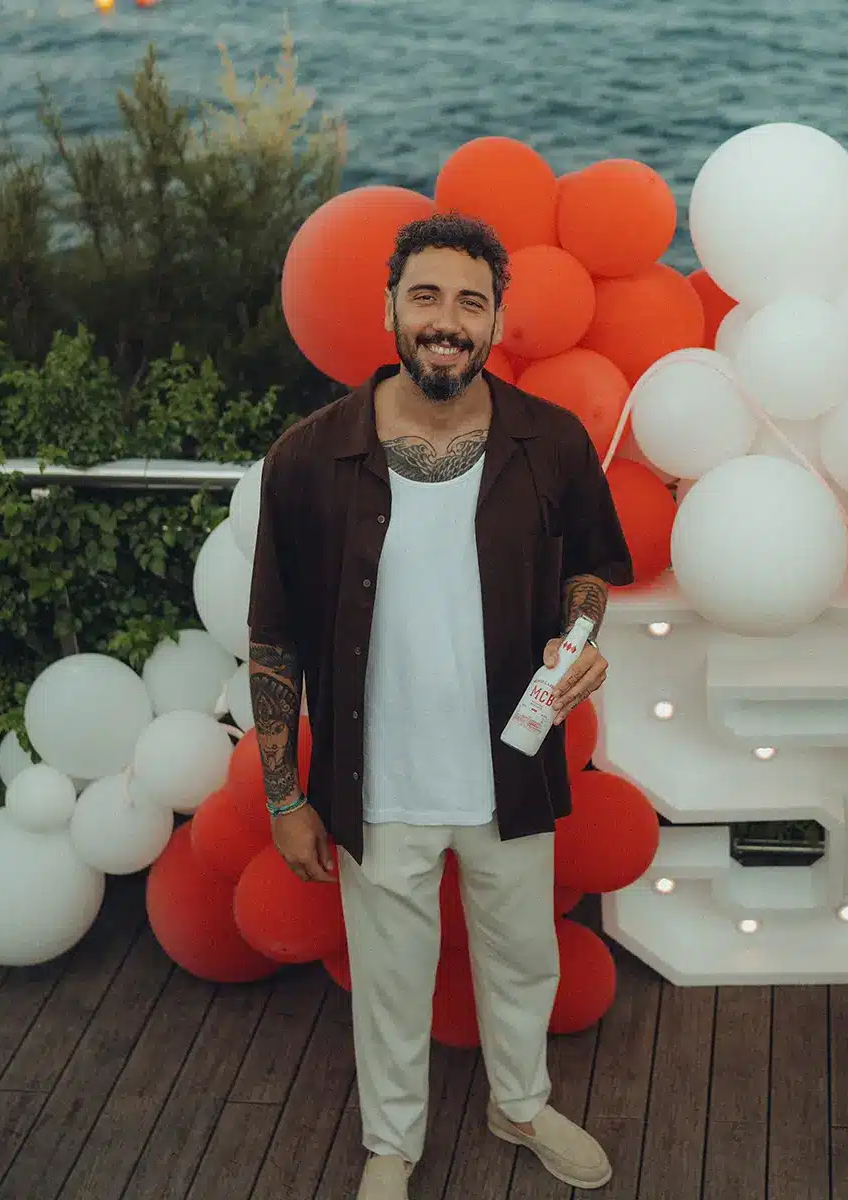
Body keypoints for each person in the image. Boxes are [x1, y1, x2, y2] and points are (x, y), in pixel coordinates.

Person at [245, 213, 634, 1199]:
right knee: (389, 983)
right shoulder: (307, 459)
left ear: (496, 321)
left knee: (520, 958)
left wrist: (578, 645)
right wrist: (287, 799)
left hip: (509, 769)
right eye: (426, 297)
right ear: (389, 310)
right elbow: (273, 640)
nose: (446, 319)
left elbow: (589, 574)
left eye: (469, 301)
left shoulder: (549, 442)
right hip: (375, 786)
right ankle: (392, 1143)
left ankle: (520, 1106)